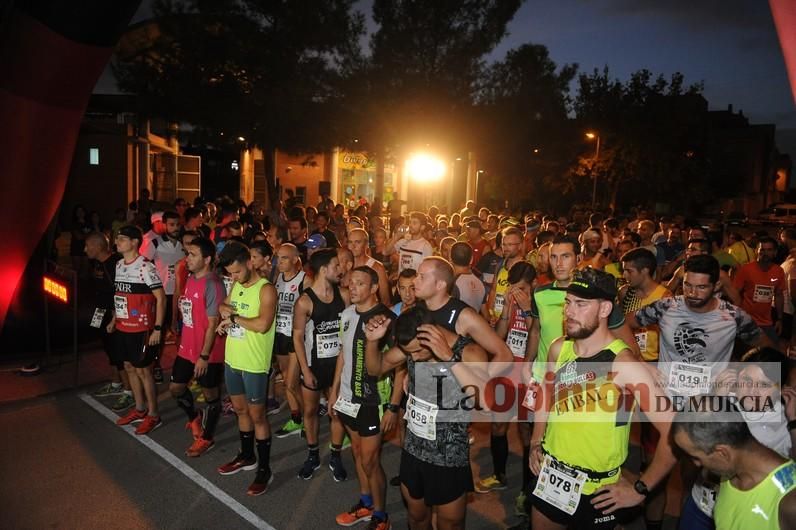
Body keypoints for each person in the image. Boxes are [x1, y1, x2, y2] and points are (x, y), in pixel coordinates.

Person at [528, 267, 677, 529]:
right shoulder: (559, 348)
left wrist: (641, 488)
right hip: (551, 476)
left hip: (598, 491)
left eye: (581, 304)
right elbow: (546, 394)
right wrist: (535, 441)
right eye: (568, 303)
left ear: (605, 310)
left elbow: (675, 431)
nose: (569, 312)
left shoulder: (625, 364)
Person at [363, 305, 490, 530]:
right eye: (408, 352)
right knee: (417, 518)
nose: (412, 358)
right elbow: (376, 368)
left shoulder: (469, 352)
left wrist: (448, 357)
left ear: (430, 333)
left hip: (449, 457)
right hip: (414, 450)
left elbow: (485, 401)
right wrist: (372, 341)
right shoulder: (413, 346)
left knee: (450, 524)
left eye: (416, 351)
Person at [331, 266, 402, 529]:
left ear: (374, 288)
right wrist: (335, 390)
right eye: (351, 283)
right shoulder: (347, 314)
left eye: (360, 283)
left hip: (374, 401)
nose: (353, 287)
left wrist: (394, 407)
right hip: (348, 398)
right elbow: (342, 354)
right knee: (359, 453)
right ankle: (366, 502)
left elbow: (400, 365)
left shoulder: (385, 319)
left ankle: (381, 516)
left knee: (371, 460)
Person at [215, 243, 277, 496]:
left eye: (237, 272)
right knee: (240, 410)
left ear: (251, 263)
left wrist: (233, 319)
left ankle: (264, 469)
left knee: (258, 416)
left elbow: (263, 324)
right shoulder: (237, 284)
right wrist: (224, 313)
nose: (234, 277)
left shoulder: (266, 290)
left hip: (254, 364)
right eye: (230, 274)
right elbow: (223, 304)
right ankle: (247, 455)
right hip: (233, 360)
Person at [672, 409, 796, 530]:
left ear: (722, 453)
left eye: (696, 457)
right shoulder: (729, 469)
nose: (696, 464)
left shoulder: (790, 501)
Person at [292, 248, 349, 480]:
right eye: (337, 266)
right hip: (314, 367)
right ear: (324, 269)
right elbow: (297, 336)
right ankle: (313, 455)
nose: (341, 269)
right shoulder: (305, 301)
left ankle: (335, 455)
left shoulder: (343, 295)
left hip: (338, 366)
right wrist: (305, 370)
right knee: (311, 411)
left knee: (337, 412)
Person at [169, 237, 226, 457]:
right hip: (187, 348)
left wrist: (204, 355)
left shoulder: (213, 284)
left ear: (207, 258)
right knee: (175, 388)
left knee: (211, 396)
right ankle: (194, 417)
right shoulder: (191, 278)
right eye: (187, 253)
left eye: (192, 254)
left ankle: (207, 438)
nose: (187, 258)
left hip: (207, 353)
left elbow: (213, 324)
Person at [111, 225, 167, 435]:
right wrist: (115, 318)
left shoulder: (146, 267)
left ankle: (154, 415)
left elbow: (161, 298)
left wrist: (158, 329)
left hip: (143, 328)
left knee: (144, 370)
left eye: (122, 239)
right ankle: (140, 408)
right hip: (123, 327)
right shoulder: (118, 265)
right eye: (117, 239)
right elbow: (120, 295)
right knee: (129, 366)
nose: (117, 242)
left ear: (135, 242)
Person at [86, 232, 130, 410]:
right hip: (100, 312)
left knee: (119, 352)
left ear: (97, 247)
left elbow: (119, 293)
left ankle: (129, 392)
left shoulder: (114, 264)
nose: (85, 249)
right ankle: (116, 383)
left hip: (114, 315)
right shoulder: (97, 263)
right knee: (109, 349)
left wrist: (115, 317)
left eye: (88, 246)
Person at [272, 244, 310, 439]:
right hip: (280, 333)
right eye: (278, 257)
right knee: (287, 379)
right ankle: (296, 419)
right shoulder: (278, 278)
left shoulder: (305, 279)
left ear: (295, 259)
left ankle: (307, 420)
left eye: (284, 258)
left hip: (295, 336)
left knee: (291, 383)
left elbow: (312, 309)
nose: (280, 262)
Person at [143, 210, 185, 380]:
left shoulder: (184, 244)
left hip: (180, 295)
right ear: (165, 225)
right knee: (158, 334)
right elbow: (143, 265)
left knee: (180, 333)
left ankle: (182, 367)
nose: (175, 228)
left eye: (177, 224)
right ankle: (156, 365)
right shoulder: (155, 243)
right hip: (160, 295)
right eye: (171, 225)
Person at [733, 236, 786, 343]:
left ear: (775, 252)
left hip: (766, 322)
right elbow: (734, 293)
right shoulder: (746, 269)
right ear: (756, 251)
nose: (765, 253)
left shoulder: (779, 271)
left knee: (773, 353)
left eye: (769, 250)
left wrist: (780, 319)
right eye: (762, 249)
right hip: (746, 321)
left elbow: (779, 295)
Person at [348, 228, 391, 304]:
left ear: (367, 244)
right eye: (350, 242)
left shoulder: (377, 268)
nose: (353, 246)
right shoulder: (342, 265)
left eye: (357, 242)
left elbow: (385, 300)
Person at [450, 242, 486, 311]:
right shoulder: (480, 283)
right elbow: (486, 315)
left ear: (450, 258)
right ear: (471, 259)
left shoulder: (451, 283)